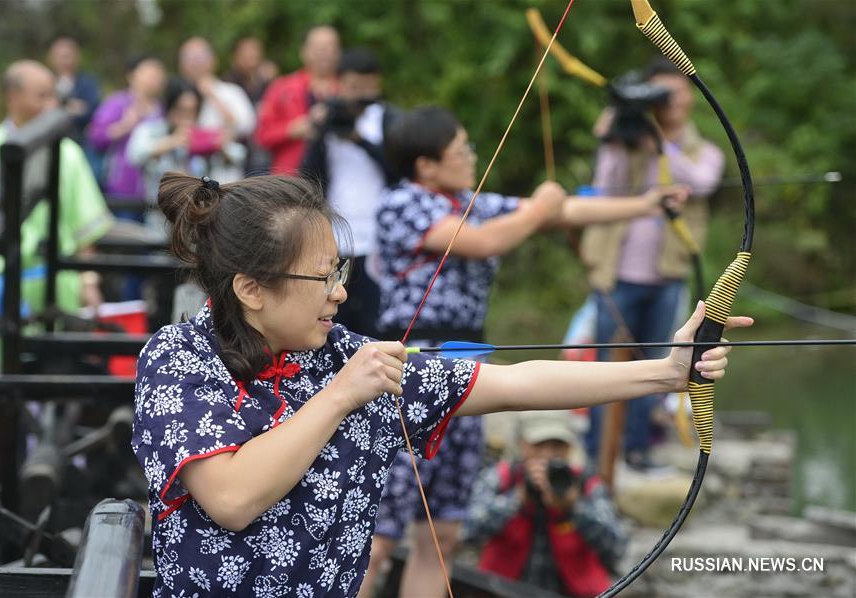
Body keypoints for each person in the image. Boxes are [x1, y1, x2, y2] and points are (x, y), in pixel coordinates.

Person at [131, 171, 747, 597]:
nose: (340, 292)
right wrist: (341, 395)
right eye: (322, 277)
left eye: (340, 272)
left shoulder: (344, 355)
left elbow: (512, 383)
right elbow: (233, 498)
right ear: (250, 288)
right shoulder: (179, 358)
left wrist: (665, 372)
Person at [362, 106, 690, 598]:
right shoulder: (402, 203)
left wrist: (646, 205)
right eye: (462, 150)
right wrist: (541, 206)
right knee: (380, 536)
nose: (472, 157)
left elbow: (565, 212)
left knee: (443, 533)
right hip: (411, 366)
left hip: (468, 361)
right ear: (425, 165)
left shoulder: (466, 200)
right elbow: (484, 240)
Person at [580, 57, 725, 470]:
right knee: (605, 366)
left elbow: (701, 183)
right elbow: (606, 186)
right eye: (659, 93)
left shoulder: (702, 150)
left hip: (667, 275)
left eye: (675, 91)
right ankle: (596, 454)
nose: (669, 101)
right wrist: (618, 136)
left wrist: (658, 144)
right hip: (616, 275)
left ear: (689, 96)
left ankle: (638, 449)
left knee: (658, 364)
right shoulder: (627, 138)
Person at [0, 60, 113, 375]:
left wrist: (88, 280)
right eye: (41, 96)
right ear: (13, 97)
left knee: (52, 383)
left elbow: (85, 229)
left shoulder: (67, 154)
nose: (52, 105)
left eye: (53, 96)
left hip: (55, 287)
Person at [463, 411, 627, 597]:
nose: (548, 455)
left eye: (558, 446)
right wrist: (517, 499)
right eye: (539, 445)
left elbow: (617, 548)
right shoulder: (502, 478)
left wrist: (573, 507)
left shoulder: (587, 484)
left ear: (569, 448)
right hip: (500, 590)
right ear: (522, 444)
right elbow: (467, 532)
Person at [300, 48, 397, 338]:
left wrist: (360, 141)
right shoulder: (330, 115)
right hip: (336, 233)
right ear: (340, 84)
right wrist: (319, 129)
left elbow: (399, 169)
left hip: (379, 235)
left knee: (374, 317)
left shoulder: (388, 119)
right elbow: (308, 173)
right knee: (335, 312)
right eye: (354, 87)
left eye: (368, 86)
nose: (361, 94)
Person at [127, 78, 246, 234]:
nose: (186, 117)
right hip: (159, 218)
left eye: (192, 110)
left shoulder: (202, 132)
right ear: (169, 107)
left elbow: (238, 155)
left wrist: (218, 145)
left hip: (199, 220)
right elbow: (134, 155)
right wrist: (170, 142)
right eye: (180, 109)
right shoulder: (151, 131)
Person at [257, 25, 340, 174]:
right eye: (318, 47)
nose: (325, 52)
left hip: (339, 178)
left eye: (330, 47)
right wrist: (292, 129)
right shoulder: (281, 87)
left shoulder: (346, 91)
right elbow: (262, 135)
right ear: (303, 51)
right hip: (292, 181)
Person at [88, 55, 166, 201]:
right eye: (149, 74)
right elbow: (96, 137)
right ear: (132, 76)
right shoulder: (118, 103)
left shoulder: (161, 109)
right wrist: (125, 126)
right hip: (121, 188)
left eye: (158, 75)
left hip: (153, 190)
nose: (154, 79)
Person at [178, 37, 255, 180]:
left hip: (224, 176)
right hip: (186, 178)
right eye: (189, 57)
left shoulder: (231, 92)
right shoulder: (175, 95)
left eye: (200, 56)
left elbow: (247, 125)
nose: (195, 62)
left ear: (213, 60)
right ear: (181, 64)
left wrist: (212, 96)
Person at [224, 35, 279, 176]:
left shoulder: (266, 83)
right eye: (246, 54)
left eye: (254, 53)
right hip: (237, 148)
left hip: (262, 150)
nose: (251, 57)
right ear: (235, 57)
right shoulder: (227, 83)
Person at [46, 36, 101, 173]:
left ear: (77, 58)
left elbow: (91, 112)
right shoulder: (45, 81)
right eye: (60, 56)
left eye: (68, 56)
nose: (64, 61)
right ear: (52, 58)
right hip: (49, 143)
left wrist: (58, 107)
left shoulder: (87, 83)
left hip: (81, 144)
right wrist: (71, 107)